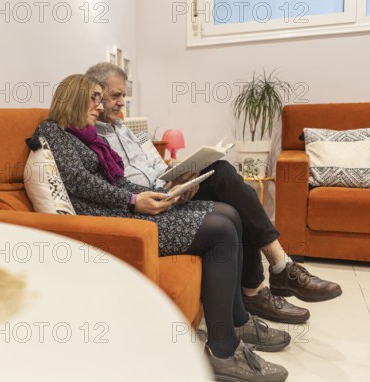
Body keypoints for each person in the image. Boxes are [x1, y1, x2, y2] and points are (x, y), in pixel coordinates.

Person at [30, 73, 289, 382]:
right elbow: (78, 180)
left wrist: (161, 195)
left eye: (102, 99)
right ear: (73, 98)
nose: (99, 107)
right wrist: (132, 200)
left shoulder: (86, 136)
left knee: (230, 214)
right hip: (111, 221)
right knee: (220, 231)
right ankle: (223, 351)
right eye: (94, 98)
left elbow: (116, 180)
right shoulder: (53, 130)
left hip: (123, 208)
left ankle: (237, 320)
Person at [85, 62, 342, 325]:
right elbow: (116, 186)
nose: (121, 103)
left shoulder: (127, 130)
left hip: (167, 187)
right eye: (115, 96)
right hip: (150, 201)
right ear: (95, 94)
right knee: (227, 187)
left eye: (123, 96)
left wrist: (180, 174)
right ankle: (272, 276)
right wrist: (161, 188)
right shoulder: (89, 137)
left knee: (223, 171)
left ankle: (269, 278)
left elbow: (156, 165)